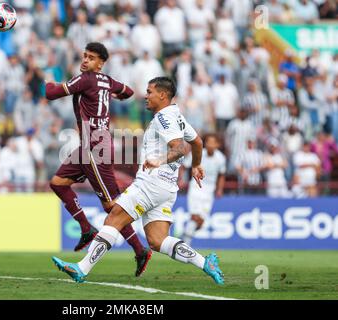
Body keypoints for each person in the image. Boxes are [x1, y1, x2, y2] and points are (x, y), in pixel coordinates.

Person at [52, 77, 224, 285]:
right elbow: (196, 141)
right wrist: (196, 164)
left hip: (151, 183)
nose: (146, 96)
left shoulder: (163, 118)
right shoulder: (177, 116)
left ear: (163, 95)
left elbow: (179, 148)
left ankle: (82, 268)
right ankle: (206, 263)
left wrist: (159, 160)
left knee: (114, 217)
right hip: (167, 188)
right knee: (157, 240)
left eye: (150, 91)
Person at [45, 42, 151, 277]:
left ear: (100, 63)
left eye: (91, 58)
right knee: (58, 183)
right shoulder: (107, 80)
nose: (85, 60)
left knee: (112, 206)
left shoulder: (86, 79)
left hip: (95, 147)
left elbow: (50, 93)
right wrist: (112, 94)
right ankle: (85, 227)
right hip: (89, 145)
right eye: (84, 56)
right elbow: (129, 92)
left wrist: (46, 79)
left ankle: (140, 249)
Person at [182, 134, 226, 246]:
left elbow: (222, 175)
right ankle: (186, 245)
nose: (210, 144)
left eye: (213, 142)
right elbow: (184, 165)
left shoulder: (221, 158)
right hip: (195, 188)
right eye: (208, 142)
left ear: (217, 144)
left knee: (201, 222)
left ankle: (186, 233)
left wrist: (219, 189)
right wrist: (181, 180)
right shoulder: (197, 153)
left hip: (209, 192)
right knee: (194, 216)